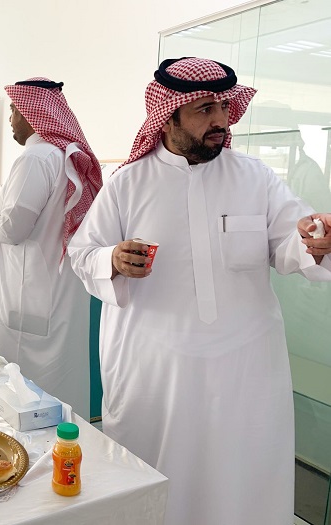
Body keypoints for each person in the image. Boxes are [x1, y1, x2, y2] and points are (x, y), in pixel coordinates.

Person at [68, 58, 331, 525]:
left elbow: (292, 240)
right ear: (168, 117)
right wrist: (112, 259)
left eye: (224, 107)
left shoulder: (255, 177)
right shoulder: (128, 183)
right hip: (156, 369)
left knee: (241, 477)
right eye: (205, 109)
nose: (221, 120)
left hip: (244, 368)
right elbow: (81, 252)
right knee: (156, 480)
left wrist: (315, 240)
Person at [0, 78, 103, 420]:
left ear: (32, 113)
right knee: (60, 386)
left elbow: (13, 229)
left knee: (26, 394)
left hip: (29, 295)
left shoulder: (36, 158)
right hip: (56, 291)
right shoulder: (64, 156)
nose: (11, 119)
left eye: (14, 110)